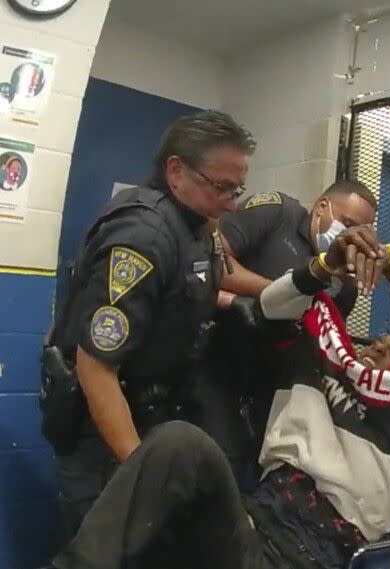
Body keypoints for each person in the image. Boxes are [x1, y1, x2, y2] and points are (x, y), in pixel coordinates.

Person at [52, 228, 390, 569]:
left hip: (306, 552)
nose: (376, 351)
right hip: (253, 518)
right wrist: (326, 264)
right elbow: (271, 305)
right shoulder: (320, 359)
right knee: (178, 443)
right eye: (375, 345)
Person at [43, 110, 255, 538]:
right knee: (101, 549)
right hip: (102, 432)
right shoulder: (142, 236)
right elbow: (96, 368)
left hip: (153, 412)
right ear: (176, 172)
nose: (233, 203)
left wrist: (235, 301)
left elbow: (182, 288)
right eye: (222, 187)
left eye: (238, 189)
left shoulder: (195, 225)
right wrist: (143, 476)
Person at [198, 182, 377, 481]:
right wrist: (282, 292)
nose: (349, 237)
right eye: (346, 224)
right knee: (214, 460)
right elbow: (212, 263)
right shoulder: (277, 212)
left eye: (358, 230)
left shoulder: (344, 283)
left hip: (274, 389)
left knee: (252, 472)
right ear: (322, 207)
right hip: (219, 362)